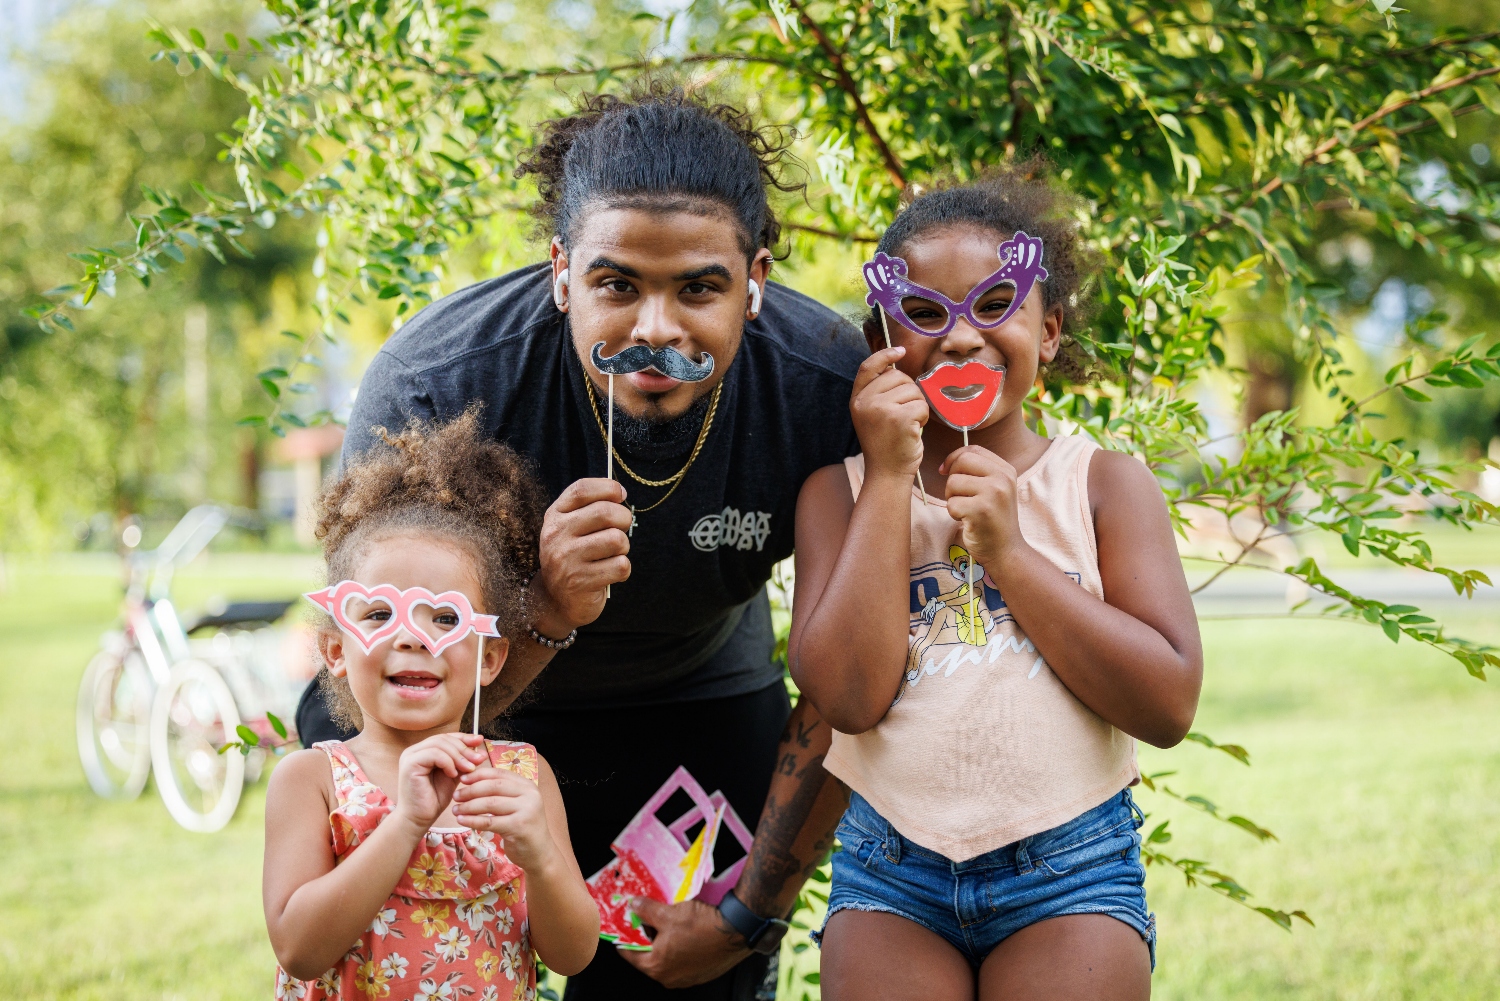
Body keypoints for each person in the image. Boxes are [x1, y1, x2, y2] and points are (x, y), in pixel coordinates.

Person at [296, 86, 860, 998]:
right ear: (562, 272)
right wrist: (546, 607)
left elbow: (860, 682)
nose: (655, 331)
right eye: (616, 285)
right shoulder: (440, 383)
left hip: (701, 700)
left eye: (700, 288)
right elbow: (365, 706)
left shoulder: (818, 383)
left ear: (755, 281)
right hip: (476, 710)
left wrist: (748, 918)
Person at [788, 164, 1205, 1000]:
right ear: (882, 342)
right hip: (891, 869)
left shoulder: (1103, 485)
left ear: (1048, 331)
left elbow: (1168, 706)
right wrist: (888, 479)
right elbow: (846, 698)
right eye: (924, 314)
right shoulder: (837, 492)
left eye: (993, 307)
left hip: (1070, 869)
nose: (960, 337)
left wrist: (1010, 554)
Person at [264, 411, 600, 1001]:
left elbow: (572, 955)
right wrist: (406, 824)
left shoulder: (521, 781)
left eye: (445, 618)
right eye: (378, 614)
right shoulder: (312, 781)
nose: (414, 637)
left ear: (490, 659)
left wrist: (539, 855)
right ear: (335, 650)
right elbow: (299, 948)